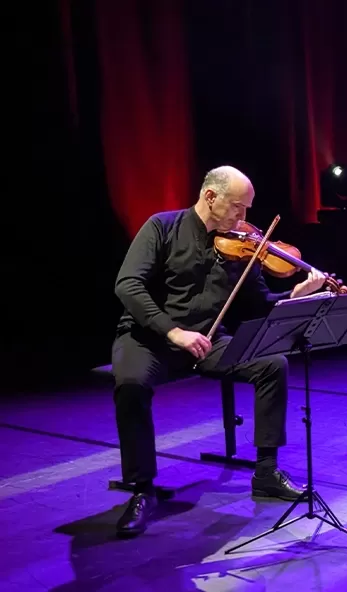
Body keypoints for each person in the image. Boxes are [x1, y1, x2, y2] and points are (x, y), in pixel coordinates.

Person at [111, 166, 329, 538]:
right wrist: (172, 330)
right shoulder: (161, 227)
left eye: (247, 210)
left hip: (207, 341)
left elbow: (261, 303)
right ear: (210, 197)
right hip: (149, 336)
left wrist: (294, 297)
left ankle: (266, 472)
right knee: (131, 383)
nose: (244, 220)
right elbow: (128, 285)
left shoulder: (238, 246)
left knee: (272, 364)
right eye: (238, 208)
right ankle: (140, 489)